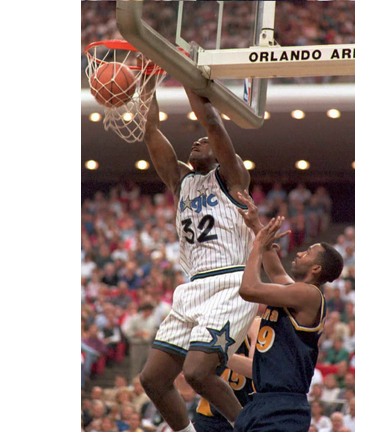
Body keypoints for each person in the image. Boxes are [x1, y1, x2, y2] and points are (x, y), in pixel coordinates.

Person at [138, 58, 257, 432]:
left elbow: (213, 123)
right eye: (195, 141)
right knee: (153, 380)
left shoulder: (233, 176)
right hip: (191, 288)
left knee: (197, 372)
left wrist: (188, 73)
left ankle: (253, 428)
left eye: (204, 143)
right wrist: (147, 82)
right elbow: (151, 129)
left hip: (230, 284)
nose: (197, 141)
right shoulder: (180, 183)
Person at [232, 191, 345, 432]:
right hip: (262, 400)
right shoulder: (297, 293)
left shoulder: (309, 294)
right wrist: (256, 226)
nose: (299, 252)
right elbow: (274, 269)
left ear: (316, 268)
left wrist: (258, 246)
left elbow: (249, 289)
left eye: (307, 252)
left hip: (283, 406)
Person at [194, 316, 261, 432]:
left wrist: (220, 354)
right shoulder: (207, 324)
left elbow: (257, 371)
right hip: (209, 417)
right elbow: (184, 388)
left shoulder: (254, 324)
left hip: (247, 414)